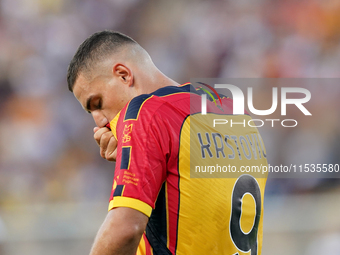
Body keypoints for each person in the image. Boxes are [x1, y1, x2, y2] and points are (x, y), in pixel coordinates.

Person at [67, 30, 268, 255]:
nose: (99, 122)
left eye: (97, 103)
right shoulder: (236, 112)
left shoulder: (145, 112)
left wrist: (136, 137)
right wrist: (134, 152)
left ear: (124, 75)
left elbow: (126, 228)